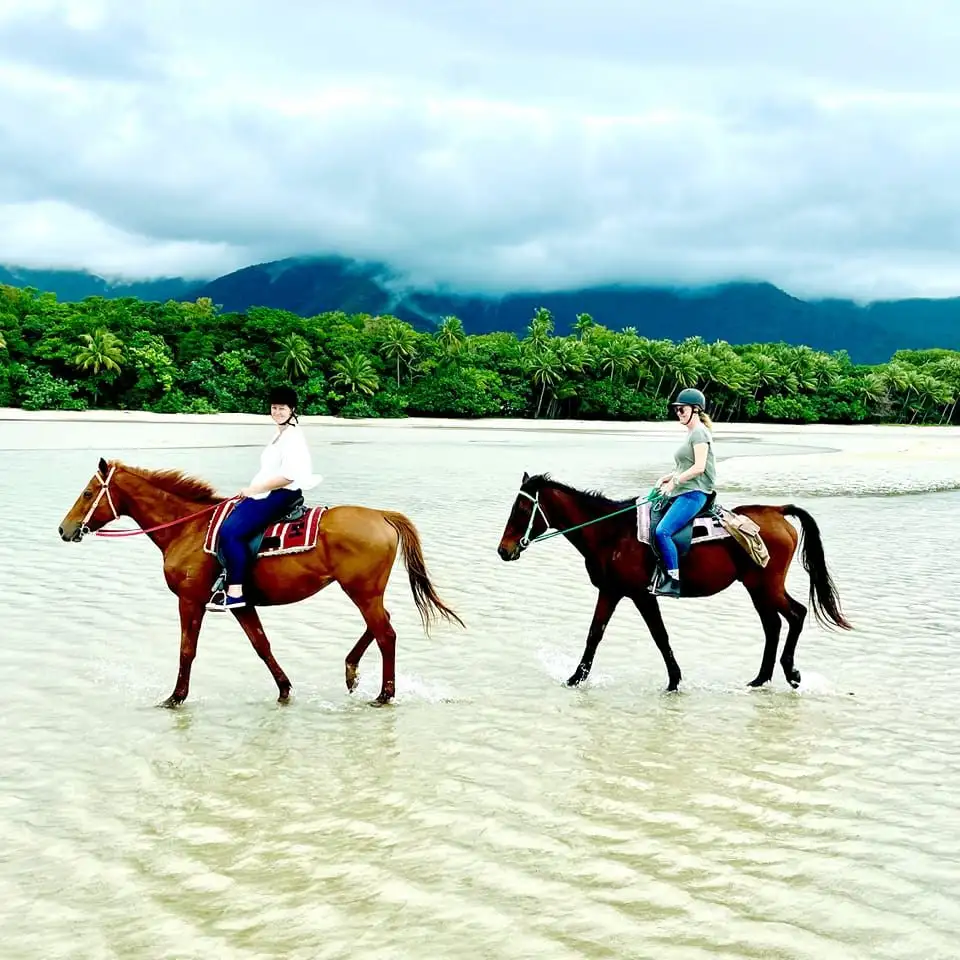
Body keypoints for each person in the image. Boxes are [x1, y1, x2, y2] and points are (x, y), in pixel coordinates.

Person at [206, 385, 321, 612]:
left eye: (282, 408)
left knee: (230, 532)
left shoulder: (292, 438)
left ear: (292, 409)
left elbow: (288, 476)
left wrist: (255, 489)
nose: (277, 412)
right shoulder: (280, 434)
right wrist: (252, 489)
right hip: (266, 491)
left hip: (281, 494)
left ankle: (236, 591)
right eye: (274, 407)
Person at [652, 387, 717, 598]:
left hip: (694, 493)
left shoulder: (699, 433)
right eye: (677, 409)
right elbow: (684, 466)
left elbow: (699, 467)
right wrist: (668, 477)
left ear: (695, 410)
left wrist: (675, 482)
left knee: (662, 531)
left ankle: (673, 581)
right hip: (682, 488)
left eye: (682, 409)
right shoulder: (691, 433)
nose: (678, 412)